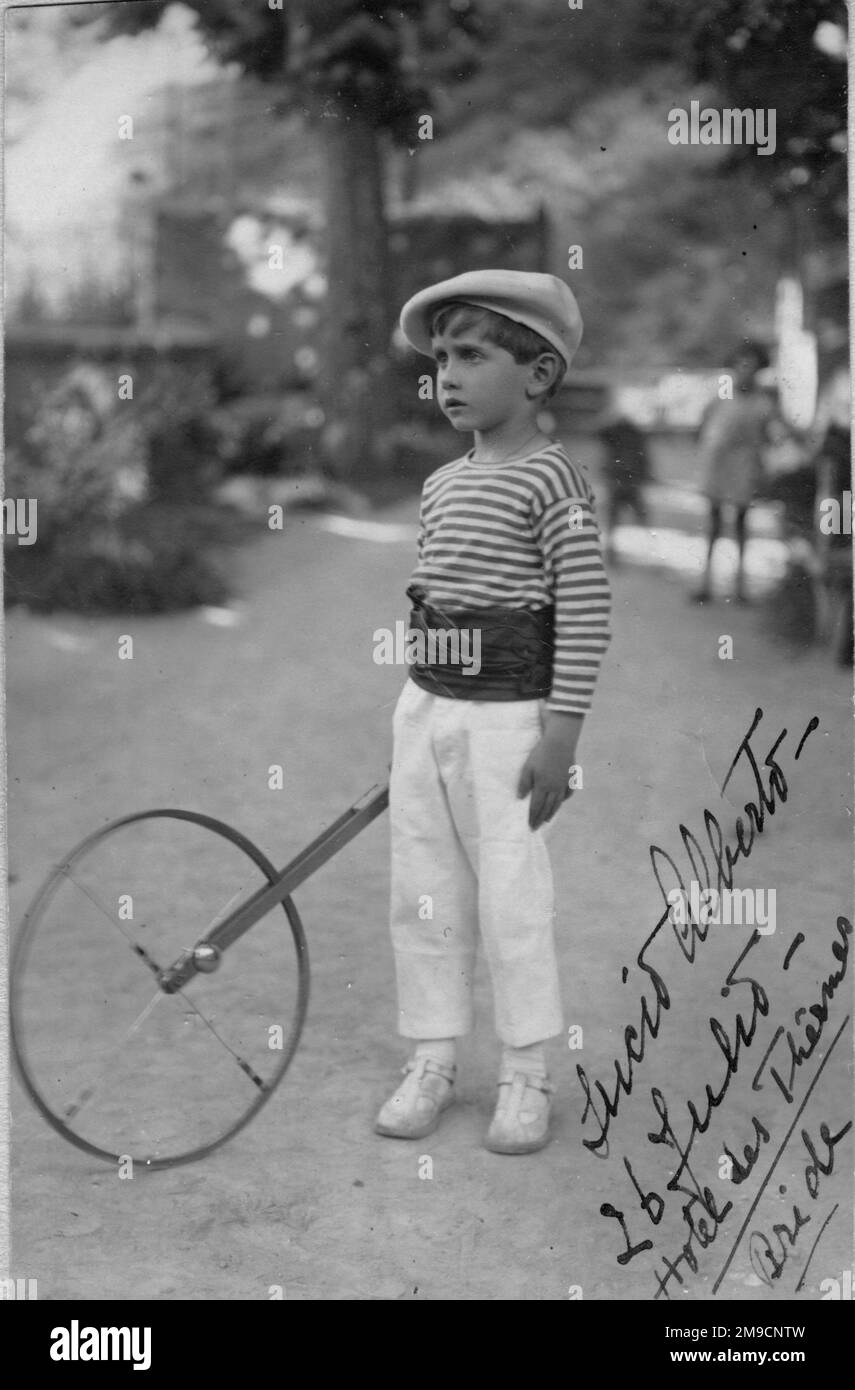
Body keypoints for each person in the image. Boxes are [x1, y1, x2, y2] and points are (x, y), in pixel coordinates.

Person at [375, 270, 612, 1154]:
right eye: (439, 358)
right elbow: (436, 596)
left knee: (512, 895)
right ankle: (433, 1056)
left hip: (510, 721)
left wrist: (562, 733)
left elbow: (585, 610)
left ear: (539, 373)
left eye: (471, 356)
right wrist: (416, 723)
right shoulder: (441, 485)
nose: (447, 375)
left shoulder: (553, 483)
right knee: (424, 888)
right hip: (429, 709)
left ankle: (525, 1073)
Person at [692, 340, 775, 604]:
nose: (745, 370)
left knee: (740, 522)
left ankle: (739, 588)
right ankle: (706, 584)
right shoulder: (721, 393)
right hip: (718, 462)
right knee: (714, 522)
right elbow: (702, 424)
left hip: (744, 464)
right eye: (741, 365)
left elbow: (769, 435)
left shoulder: (763, 402)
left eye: (751, 365)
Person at [597, 403, 652, 562]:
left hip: (623, 480)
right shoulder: (626, 434)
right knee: (625, 516)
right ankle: (645, 548)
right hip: (623, 480)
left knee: (620, 516)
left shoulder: (624, 434)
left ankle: (645, 548)